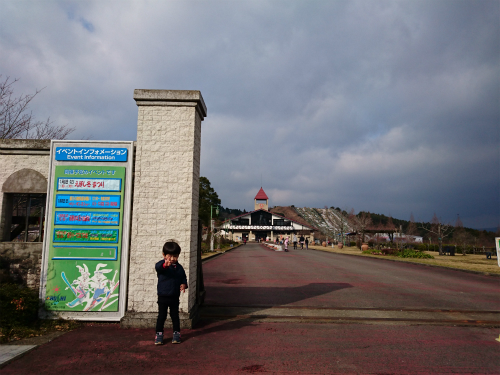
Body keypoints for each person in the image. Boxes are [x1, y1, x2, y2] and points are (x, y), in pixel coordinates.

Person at [155, 241, 187, 345]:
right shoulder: (162, 265)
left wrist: (184, 284)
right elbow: (158, 267)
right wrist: (165, 265)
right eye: (170, 256)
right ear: (164, 255)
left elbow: (183, 277)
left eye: (175, 256)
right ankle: (159, 335)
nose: (173, 259)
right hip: (163, 295)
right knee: (162, 316)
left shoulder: (179, 267)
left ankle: (176, 334)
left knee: (175, 316)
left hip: (174, 296)